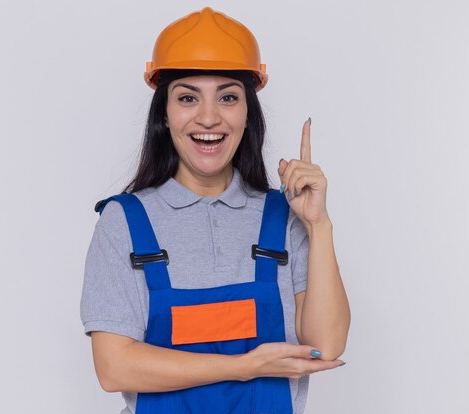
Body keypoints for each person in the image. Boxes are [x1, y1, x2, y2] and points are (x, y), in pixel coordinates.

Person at [80, 7, 350, 413]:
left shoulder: (282, 217)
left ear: (247, 114)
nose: (209, 117)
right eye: (188, 97)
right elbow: (113, 367)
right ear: (165, 115)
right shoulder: (126, 222)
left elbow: (324, 345)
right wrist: (242, 367)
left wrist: (319, 224)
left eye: (227, 97)